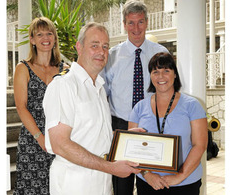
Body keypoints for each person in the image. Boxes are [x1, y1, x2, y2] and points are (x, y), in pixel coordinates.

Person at [42, 22, 141, 195]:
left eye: (105, 47)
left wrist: (126, 139)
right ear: (79, 47)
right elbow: (60, 144)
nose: (101, 52)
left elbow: (94, 135)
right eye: (94, 45)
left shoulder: (99, 88)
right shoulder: (64, 85)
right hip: (74, 185)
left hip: (102, 184)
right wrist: (111, 167)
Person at [100, 1, 169, 194]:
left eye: (140, 22)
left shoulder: (160, 53)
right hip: (120, 127)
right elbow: (102, 94)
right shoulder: (111, 56)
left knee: (151, 184)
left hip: (151, 125)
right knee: (122, 186)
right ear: (124, 24)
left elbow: (170, 88)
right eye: (131, 23)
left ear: (147, 22)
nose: (136, 28)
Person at [128, 52, 208, 195]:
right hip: (148, 183)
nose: (161, 76)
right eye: (155, 72)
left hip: (185, 183)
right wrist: (147, 174)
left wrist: (179, 177)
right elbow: (131, 149)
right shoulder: (139, 108)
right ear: (150, 76)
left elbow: (200, 145)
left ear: (175, 74)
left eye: (166, 71)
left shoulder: (192, 106)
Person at [13, 17, 65, 195]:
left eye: (49, 33)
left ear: (55, 38)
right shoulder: (23, 68)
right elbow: (21, 107)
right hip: (32, 140)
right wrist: (40, 138)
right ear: (32, 40)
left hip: (59, 138)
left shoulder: (64, 69)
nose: (45, 38)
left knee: (57, 187)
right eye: (40, 34)